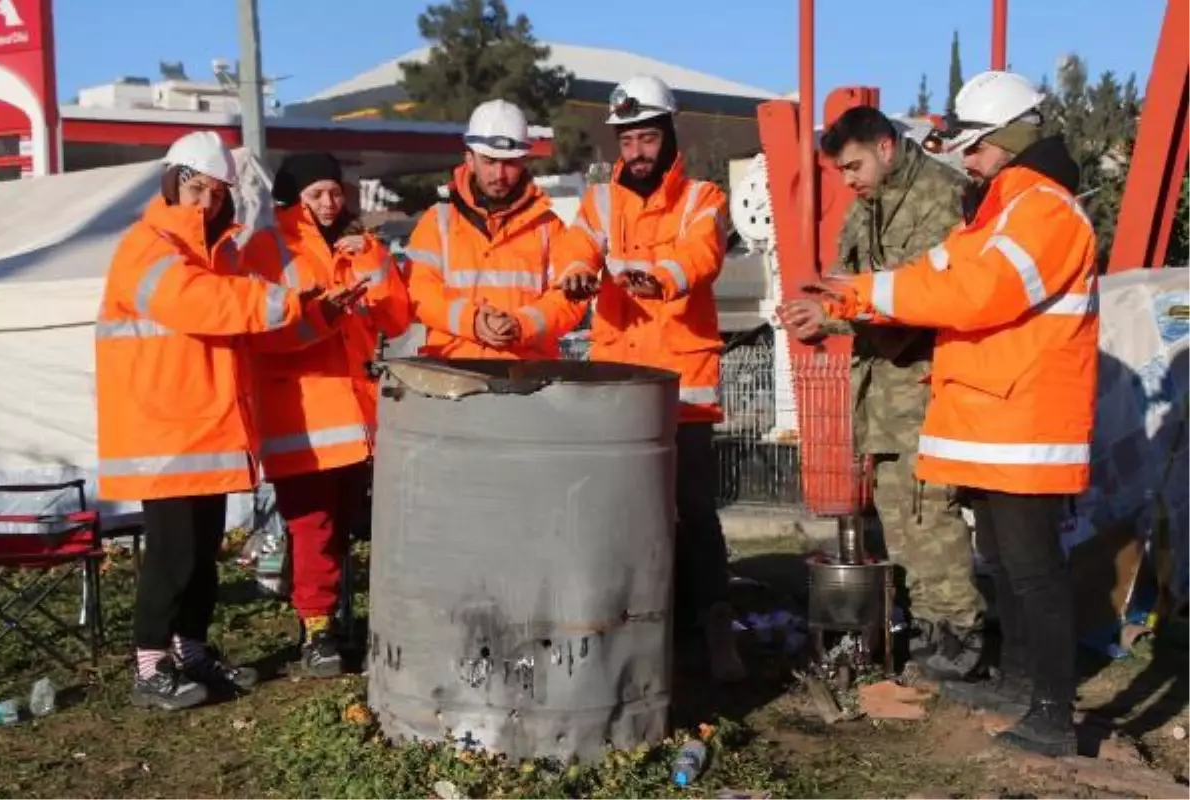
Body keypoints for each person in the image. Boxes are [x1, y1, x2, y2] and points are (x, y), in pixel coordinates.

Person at [779, 70, 1097, 756]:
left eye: (975, 147)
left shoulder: (1043, 209)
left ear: (1010, 139)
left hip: (1026, 421)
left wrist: (859, 296)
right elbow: (931, 278)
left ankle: (1052, 712)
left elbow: (978, 292)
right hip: (997, 419)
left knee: (1034, 571)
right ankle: (1019, 687)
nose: (966, 160)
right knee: (1008, 565)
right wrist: (848, 294)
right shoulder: (1001, 209)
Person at [96, 131, 365, 710]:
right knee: (171, 556)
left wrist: (315, 313)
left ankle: (190, 650)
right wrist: (290, 299)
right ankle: (149, 665)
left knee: (203, 553)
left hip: (209, 432)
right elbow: (204, 305)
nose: (207, 204)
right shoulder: (148, 248)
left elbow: (250, 328)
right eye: (197, 191)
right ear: (173, 183)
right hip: (164, 435)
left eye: (217, 195)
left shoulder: (215, 253)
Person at [551, 74, 746, 683]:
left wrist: (660, 277)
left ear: (668, 136)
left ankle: (713, 621)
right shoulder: (601, 199)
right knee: (627, 510)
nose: (636, 152)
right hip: (619, 386)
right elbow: (575, 245)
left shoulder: (704, 198)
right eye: (627, 141)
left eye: (646, 138)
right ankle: (640, 623)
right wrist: (579, 272)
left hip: (682, 384)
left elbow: (702, 255)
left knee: (692, 507)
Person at [790, 106, 984, 681]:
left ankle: (958, 636)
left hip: (927, 384)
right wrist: (820, 314)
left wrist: (841, 308)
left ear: (886, 146)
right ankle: (930, 631)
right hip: (883, 393)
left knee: (930, 514)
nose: (849, 180)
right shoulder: (866, 210)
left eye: (854, 166)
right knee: (903, 519)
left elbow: (930, 298)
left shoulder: (942, 198)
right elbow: (851, 293)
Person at [246, 153, 412, 677]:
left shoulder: (359, 247)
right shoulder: (269, 249)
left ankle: (340, 623)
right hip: (302, 416)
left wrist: (370, 260)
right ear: (294, 199)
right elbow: (265, 337)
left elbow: (398, 314)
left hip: (358, 417)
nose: (329, 203)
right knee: (314, 528)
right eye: (317, 193)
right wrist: (325, 315)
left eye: (335, 192)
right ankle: (317, 631)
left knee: (346, 528)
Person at [402, 99, 586, 359]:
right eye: (489, 161)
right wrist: (472, 321)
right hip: (452, 377)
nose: (499, 174)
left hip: (527, 379)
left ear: (523, 161)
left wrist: (522, 325)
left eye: (509, 163)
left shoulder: (548, 226)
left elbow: (569, 300)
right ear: (470, 158)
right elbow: (418, 292)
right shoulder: (437, 222)